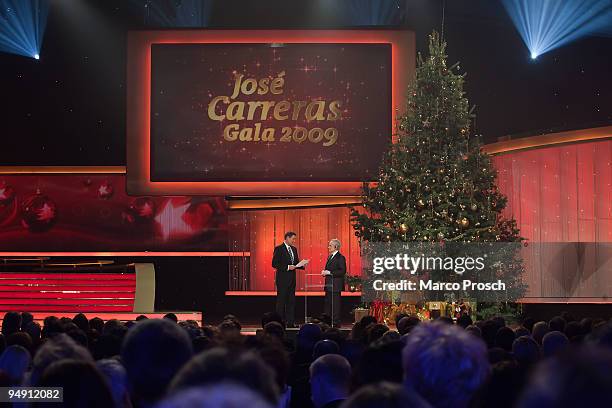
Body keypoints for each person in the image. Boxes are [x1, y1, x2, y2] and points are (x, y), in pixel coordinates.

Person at [273, 231, 308, 327]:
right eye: (293, 238)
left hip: (292, 280)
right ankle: (279, 323)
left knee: (291, 302)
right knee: (281, 302)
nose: (294, 241)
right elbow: (275, 264)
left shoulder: (294, 249)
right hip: (282, 280)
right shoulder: (279, 249)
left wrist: (301, 265)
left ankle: (290, 323)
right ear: (287, 238)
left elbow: (295, 263)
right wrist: (288, 267)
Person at [321, 239, 346, 327]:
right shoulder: (330, 257)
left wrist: (330, 273)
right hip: (329, 285)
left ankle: (336, 322)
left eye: (330, 245)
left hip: (336, 285)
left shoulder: (340, 257)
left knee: (335, 305)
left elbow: (342, 271)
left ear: (335, 247)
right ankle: (327, 321)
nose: (328, 247)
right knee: (328, 304)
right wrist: (325, 272)